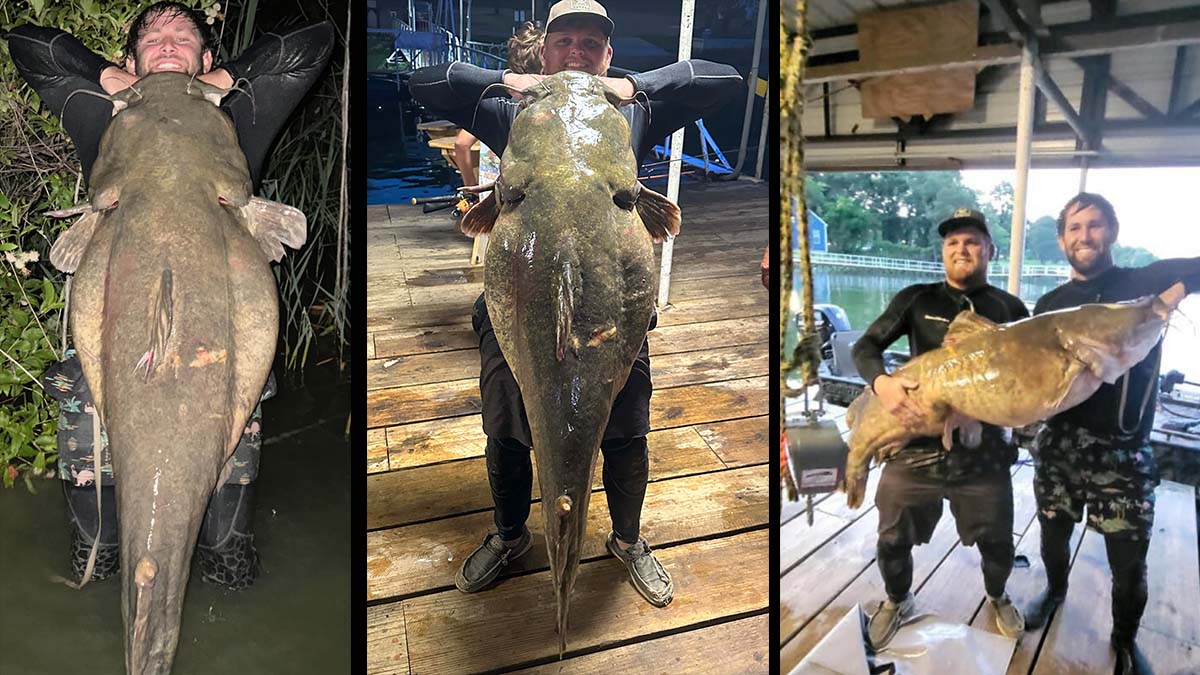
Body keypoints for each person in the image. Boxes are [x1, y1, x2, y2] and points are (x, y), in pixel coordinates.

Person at [408, 0, 742, 608]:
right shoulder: (508, 109)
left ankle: (627, 539)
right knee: (506, 429)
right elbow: (426, 80)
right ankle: (511, 536)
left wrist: (633, 86)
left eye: (593, 44)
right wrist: (511, 81)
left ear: (609, 57)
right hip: (518, 302)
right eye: (565, 42)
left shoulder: (633, 109)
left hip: (614, 307)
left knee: (625, 427)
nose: (578, 53)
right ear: (544, 51)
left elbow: (722, 80)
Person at [7, 2, 333, 589]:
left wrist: (222, 82)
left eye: (183, 37)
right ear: (128, 60)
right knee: (101, 554)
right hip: (105, 357)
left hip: (223, 357)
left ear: (207, 58)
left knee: (226, 557)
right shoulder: (104, 110)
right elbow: (31, 44)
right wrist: (112, 82)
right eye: (151, 38)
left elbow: (313, 41)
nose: (165, 43)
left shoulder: (236, 108)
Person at [1024, 193, 1200, 675]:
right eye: (1075, 228)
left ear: (1112, 231)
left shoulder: (1143, 282)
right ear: (1062, 239)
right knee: (1052, 537)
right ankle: (1055, 591)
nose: (1085, 236)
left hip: (1124, 455)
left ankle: (1124, 640)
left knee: (1128, 564)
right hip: (1058, 447)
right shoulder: (1049, 304)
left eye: (1095, 225)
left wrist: (1177, 292)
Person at [851, 208, 1029, 648]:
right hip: (915, 444)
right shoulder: (916, 298)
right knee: (891, 537)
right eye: (953, 243)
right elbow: (866, 346)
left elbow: (1023, 377)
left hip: (983, 448)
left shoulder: (1010, 309)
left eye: (971, 241)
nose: (961, 249)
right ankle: (897, 599)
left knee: (998, 540)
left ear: (989, 250)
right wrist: (884, 383)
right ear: (943, 252)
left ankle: (997, 594)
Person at [451, 21, 544, 186]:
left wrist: (470, 187)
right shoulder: (538, 105)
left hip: (492, 193)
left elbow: (461, 144)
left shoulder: (499, 100)